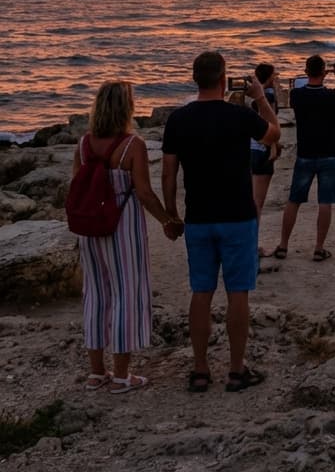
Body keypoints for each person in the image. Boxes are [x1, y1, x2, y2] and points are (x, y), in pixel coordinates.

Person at [161, 51, 280, 393]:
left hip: (199, 218)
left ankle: (200, 370)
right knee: (237, 292)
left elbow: (169, 174)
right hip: (238, 217)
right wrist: (260, 98)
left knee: (201, 292)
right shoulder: (239, 115)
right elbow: (273, 135)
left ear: (195, 78)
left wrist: (172, 213)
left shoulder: (179, 120)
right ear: (224, 78)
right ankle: (236, 370)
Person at [73, 80, 180, 393]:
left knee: (95, 294)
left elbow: (77, 186)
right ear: (126, 108)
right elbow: (144, 193)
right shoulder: (132, 146)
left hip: (90, 228)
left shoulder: (83, 144)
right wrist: (167, 221)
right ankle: (121, 375)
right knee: (126, 295)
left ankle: (96, 373)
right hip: (122, 228)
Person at [273, 54, 335, 262]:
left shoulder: (297, 95)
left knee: (294, 200)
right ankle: (319, 248)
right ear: (324, 73)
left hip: (305, 154)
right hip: (328, 153)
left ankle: (283, 245)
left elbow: (289, 99)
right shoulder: (331, 95)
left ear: (307, 72)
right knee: (325, 202)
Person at [249, 62, 280, 228]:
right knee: (257, 203)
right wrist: (274, 146)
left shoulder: (252, 96)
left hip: (250, 149)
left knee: (250, 200)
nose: (276, 78)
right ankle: (253, 244)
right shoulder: (268, 97)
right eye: (274, 75)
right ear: (269, 78)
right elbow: (270, 124)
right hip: (263, 149)